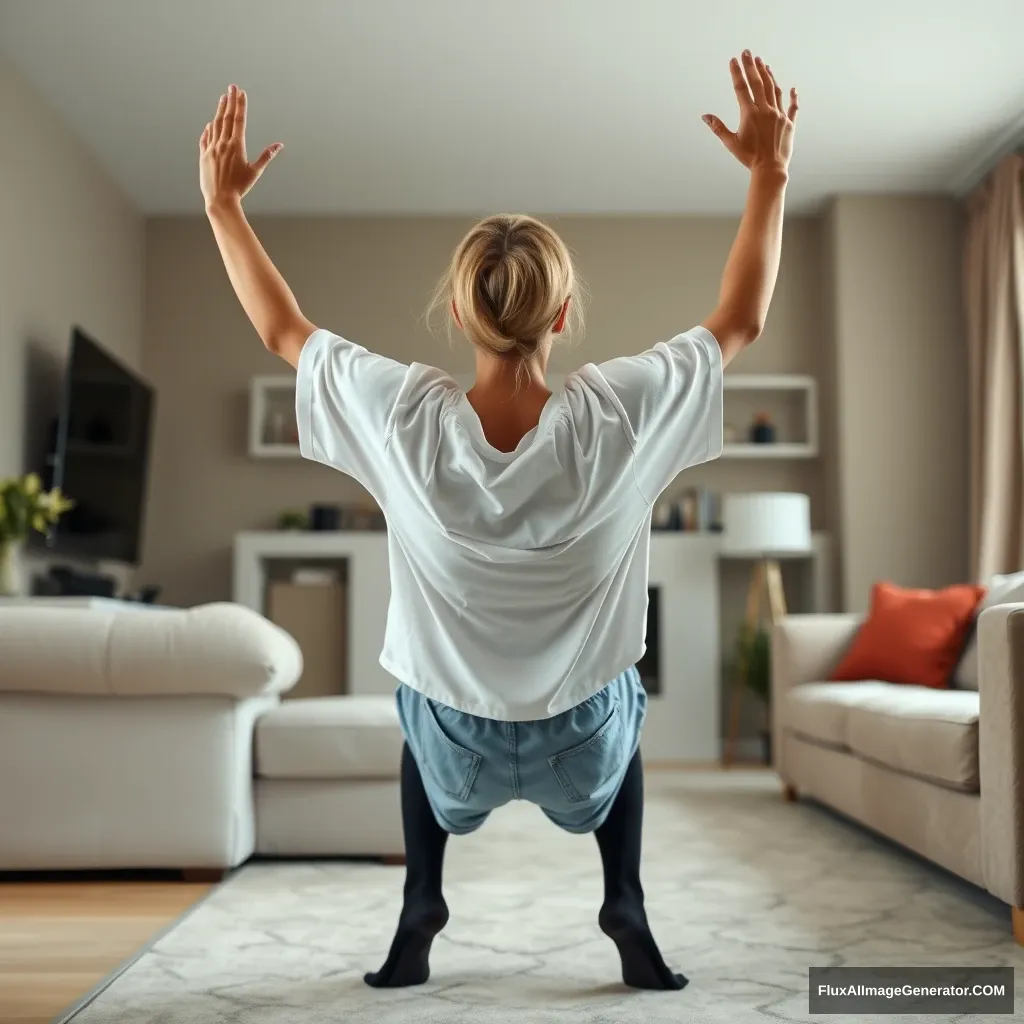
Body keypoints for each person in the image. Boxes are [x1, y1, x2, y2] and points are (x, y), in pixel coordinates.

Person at [199, 50, 797, 992]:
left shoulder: (404, 415)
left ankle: (421, 905)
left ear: (457, 310)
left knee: (412, 693)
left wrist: (224, 208)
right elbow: (741, 320)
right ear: (562, 314)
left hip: (455, 756)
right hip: (584, 751)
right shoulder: (621, 413)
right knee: (628, 697)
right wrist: (769, 174)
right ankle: (626, 903)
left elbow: (284, 330)